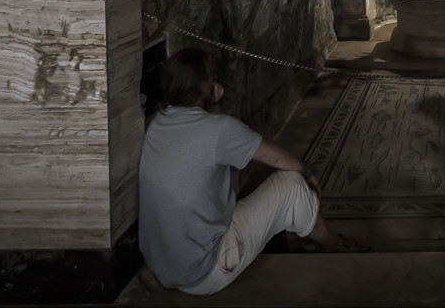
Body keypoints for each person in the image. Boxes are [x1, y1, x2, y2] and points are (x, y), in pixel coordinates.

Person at [138, 47, 366, 295]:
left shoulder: (157, 124)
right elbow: (279, 158)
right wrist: (308, 175)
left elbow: (212, 135)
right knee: (291, 184)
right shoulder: (219, 130)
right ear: (206, 85)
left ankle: (292, 234)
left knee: (257, 184)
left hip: (163, 268)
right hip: (204, 273)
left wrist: (212, 105)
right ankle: (333, 244)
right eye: (211, 76)